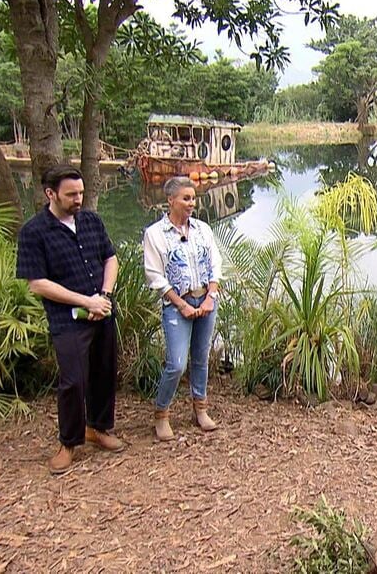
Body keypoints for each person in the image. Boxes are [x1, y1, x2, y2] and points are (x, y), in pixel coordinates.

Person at [16, 165, 124, 474]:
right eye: (71, 194)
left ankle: (99, 428)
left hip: (101, 309)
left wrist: (103, 296)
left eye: (81, 193)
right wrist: (83, 301)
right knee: (73, 380)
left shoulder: (90, 220)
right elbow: (37, 283)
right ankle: (69, 442)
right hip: (68, 319)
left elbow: (110, 258)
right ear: (51, 194)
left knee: (104, 371)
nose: (78, 199)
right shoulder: (34, 231)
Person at [142, 176, 222, 441]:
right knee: (177, 363)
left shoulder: (202, 229)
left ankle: (200, 409)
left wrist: (211, 296)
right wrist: (181, 304)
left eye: (193, 198)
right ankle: (161, 413)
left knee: (201, 357)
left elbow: (215, 264)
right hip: (177, 305)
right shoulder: (155, 234)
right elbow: (156, 276)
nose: (191, 204)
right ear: (170, 200)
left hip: (206, 301)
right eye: (186, 198)